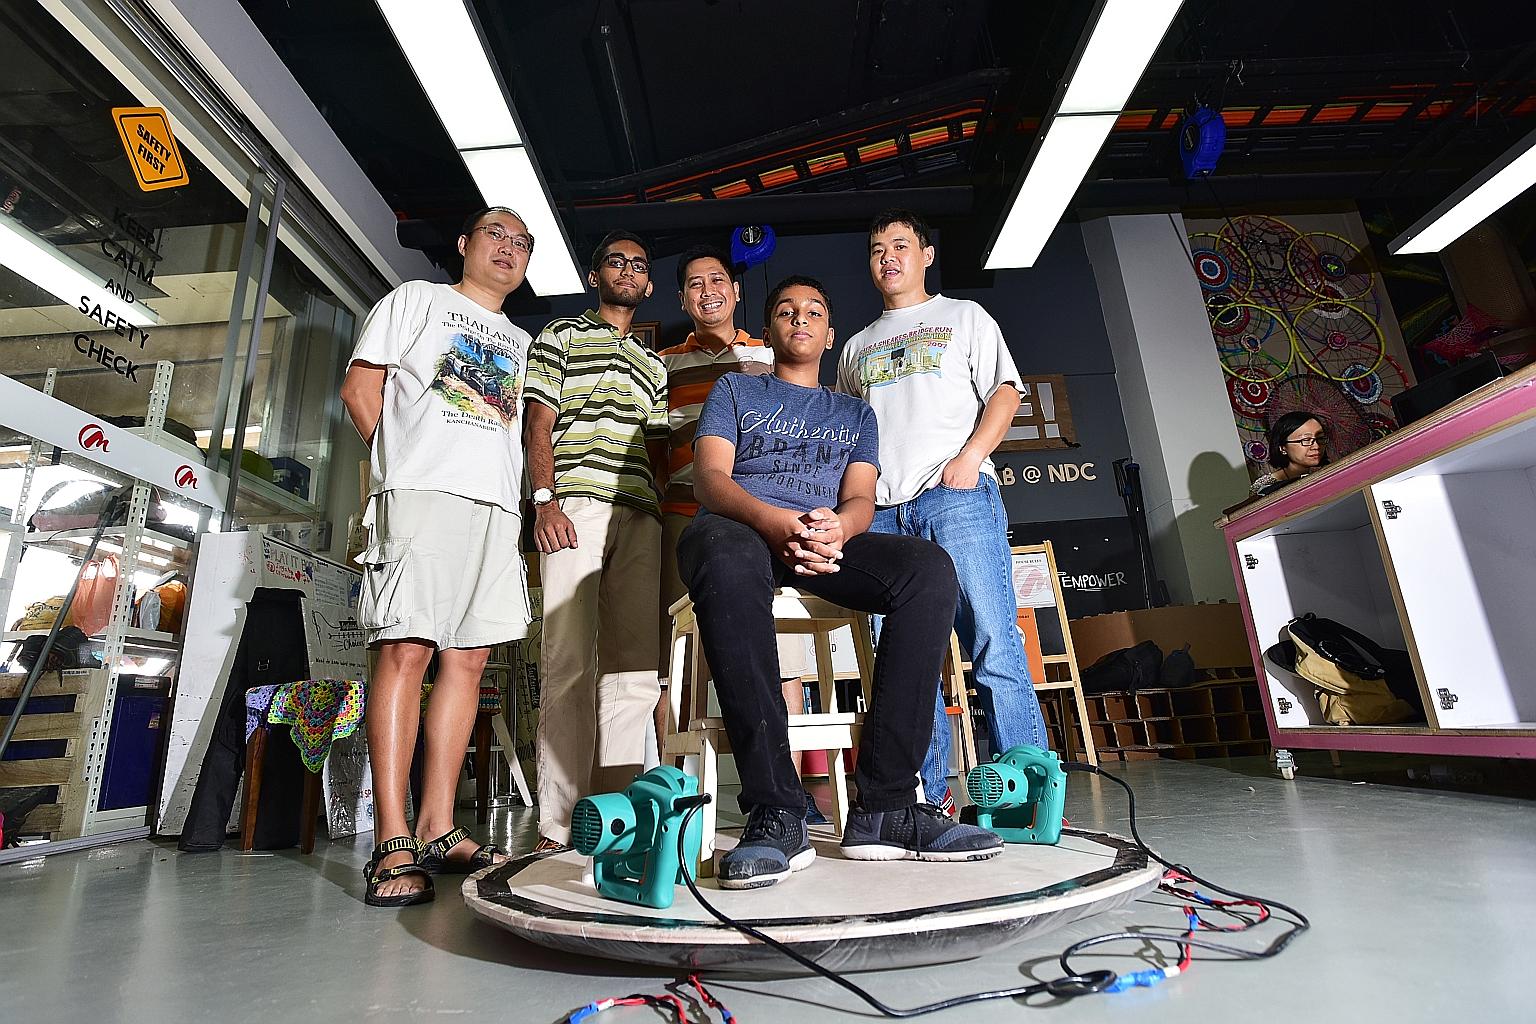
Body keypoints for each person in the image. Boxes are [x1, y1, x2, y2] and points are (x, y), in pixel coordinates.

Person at [678, 274, 1003, 890]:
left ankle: (886, 805)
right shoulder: (735, 390)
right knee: (724, 557)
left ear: (829, 335)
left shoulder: (856, 412)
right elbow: (711, 482)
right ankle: (777, 808)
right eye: (786, 311)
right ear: (770, 330)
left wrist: (839, 531)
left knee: (927, 571)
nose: (800, 319)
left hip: (823, 540)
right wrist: (777, 524)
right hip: (741, 530)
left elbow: (859, 496)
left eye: (814, 312)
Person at [340, 206, 535, 907]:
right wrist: (400, 469)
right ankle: (392, 840)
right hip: (421, 494)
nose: (508, 249)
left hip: (494, 509)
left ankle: (438, 825)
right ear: (464, 244)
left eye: (521, 243)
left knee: (469, 659)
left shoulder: (518, 339)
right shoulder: (416, 300)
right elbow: (361, 390)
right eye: (495, 235)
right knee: (406, 651)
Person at [837, 209, 1049, 816]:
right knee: (905, 661)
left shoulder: (964, 317)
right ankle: (921, 799)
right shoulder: (855, 347)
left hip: (954, 495)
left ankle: (1024, 793)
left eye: (900, 245)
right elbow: (854, 438)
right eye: (877, 249)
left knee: (991, 638)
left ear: (926, 254)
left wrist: (971, 458)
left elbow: (1005, 393)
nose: (888, 258)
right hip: (881, 512)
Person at [656, 245, 825, 824]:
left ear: (735, 291)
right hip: (688, 515)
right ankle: (673, 797)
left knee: (784, 658)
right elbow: (655, 448)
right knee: (673, 659)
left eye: (718, 280)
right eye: (694, 283)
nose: (708, 291)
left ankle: (793, 791)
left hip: (773, 523)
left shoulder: (769, 352)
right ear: (682, 299)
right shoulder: (662, 366)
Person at [524, 230, 669, 853]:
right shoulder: (560, 335)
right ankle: (559, 824)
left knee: (636, 672)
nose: (629, 272)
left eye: (639, 265)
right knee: (568, 664)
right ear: (596, 274)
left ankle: (616, 816)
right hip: (572, 508)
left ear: (649, 283)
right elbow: (539, 422)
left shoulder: (655, 365)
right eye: (617, 261)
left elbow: (658, 449)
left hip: (639, 517)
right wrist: (543, 501)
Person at [1253, 412, 1329, 497]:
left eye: (1320, 438)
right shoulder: (1264, 487)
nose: (1316, 446)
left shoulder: (1329, 471)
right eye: (1306, 440)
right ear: (1282, 447)